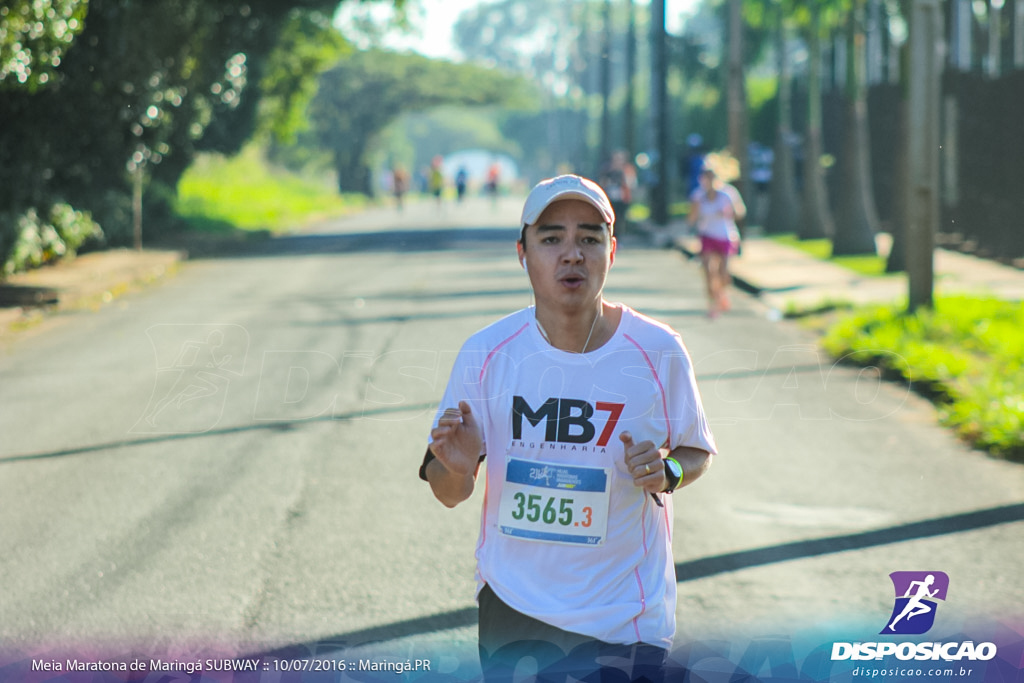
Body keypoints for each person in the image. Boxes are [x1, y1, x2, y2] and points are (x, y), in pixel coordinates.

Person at [419, 174, 717, 680]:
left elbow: (696, 451)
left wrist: (666, 470)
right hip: (515, 610)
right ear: (523, 253)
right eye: (552, 238)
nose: (572, 254)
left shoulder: (657, 350)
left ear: (612, 251)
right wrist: (460, 468)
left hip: (626, 617)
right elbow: (450, 491)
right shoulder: (487, 354)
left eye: (589, 238)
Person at [687, 157, 746, 318]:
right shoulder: (698, 195)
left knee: (723, 273)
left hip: (726, 236)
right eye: (706, 176)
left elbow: (740, 212)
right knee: (708, 271)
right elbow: (691, 218)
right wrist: (696, 212)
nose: (709, 180)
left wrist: (729, 213)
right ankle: (712, 305)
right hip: (707, 235)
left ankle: (721, 294)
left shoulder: (728, 194)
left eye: (712, 176)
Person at [599, 150, 638, 233]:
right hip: (610, 199)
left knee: (620, 219)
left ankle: (618, 237)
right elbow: (602, 183)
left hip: (622, 199)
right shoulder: (607, 169)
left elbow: (631, 183)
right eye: (616, 158)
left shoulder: (627, 169)